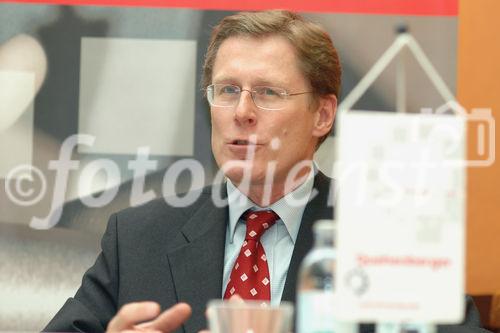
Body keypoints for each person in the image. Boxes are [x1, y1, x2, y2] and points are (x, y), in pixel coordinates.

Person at [45, 10, 487, 333]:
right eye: (228, 90)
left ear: (323, 114)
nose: (242, 112)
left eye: (268, 92)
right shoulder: (138, 237)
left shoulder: (385, 235)